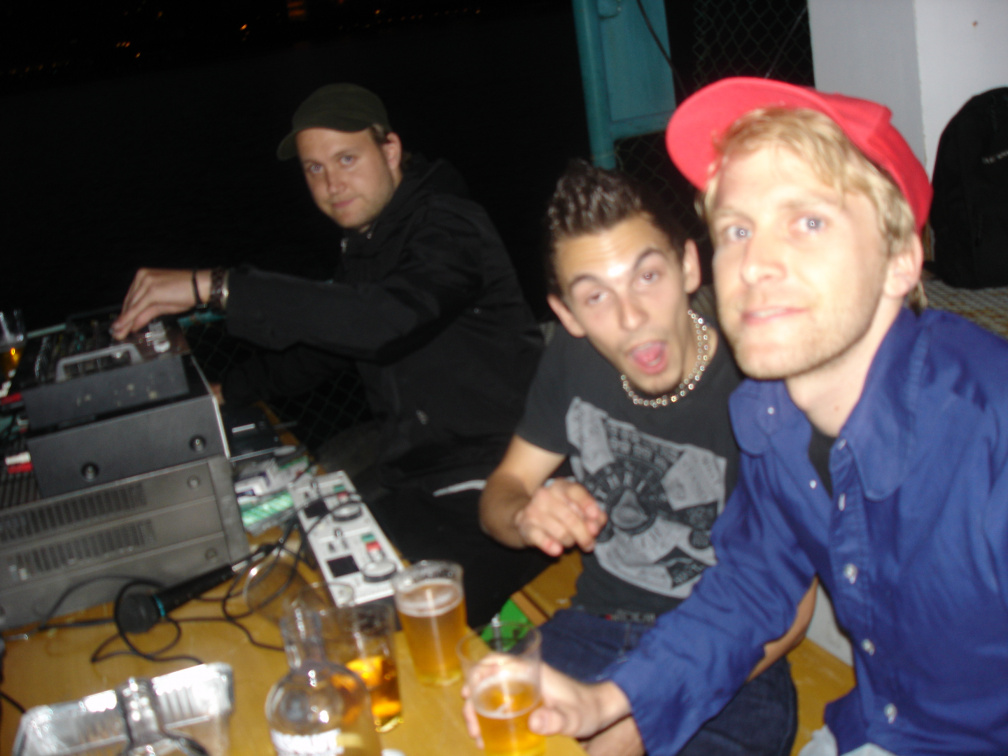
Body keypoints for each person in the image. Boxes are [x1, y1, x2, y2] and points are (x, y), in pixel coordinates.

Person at [468, 77, 1008, 755]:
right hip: (870, 726)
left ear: (901, 259)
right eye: (738, 230)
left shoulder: (989, 429)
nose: (755, 264)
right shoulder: (773, 416)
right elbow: (752, 591)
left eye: (808, 222)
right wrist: (610, 702)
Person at [112, 83, 548, 625]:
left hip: (504, 477)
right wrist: (228, 392)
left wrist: (218, 286)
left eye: (347, 159)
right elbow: (327, 347)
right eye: (314, 169)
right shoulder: (371, 241)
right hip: (421, 479)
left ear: (390, 150)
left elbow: (381, 321)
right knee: (282, 564)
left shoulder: (448, 225)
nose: (332, 184)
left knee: (363, 621)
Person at [478, 159, 813, 755]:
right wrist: (525, 516)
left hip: (730, 663)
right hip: (594, 628)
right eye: (595, 296)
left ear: (689, 266)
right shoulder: (573, 359)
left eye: (648, 276)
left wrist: (639, 722)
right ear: (566, 314)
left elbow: (792, 610)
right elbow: (503, 490)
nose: (630, 317)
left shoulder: (759, 377)